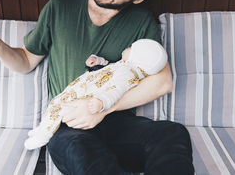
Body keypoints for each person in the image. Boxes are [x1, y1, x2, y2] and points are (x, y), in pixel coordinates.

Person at [0, 0, 194, 174]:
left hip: (117, 124)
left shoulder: (142, 22)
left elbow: (163, 82)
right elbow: (26, 60)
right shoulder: (59, 8)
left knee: (173, 133)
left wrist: (102, 110)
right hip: (70, 125)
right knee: (80, 150)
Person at [24, 39, 168, 150]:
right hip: (82, 89)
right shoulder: (124, 67)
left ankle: (44, 135)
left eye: (131, 48)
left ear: (137, 57)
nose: (127, 47)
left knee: (58, 108)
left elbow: (116, 90)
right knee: (55, 105)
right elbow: (109, 69)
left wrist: (102, 102)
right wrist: (98, 62)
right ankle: (42, 128)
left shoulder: (127, 74)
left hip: (85, 97)